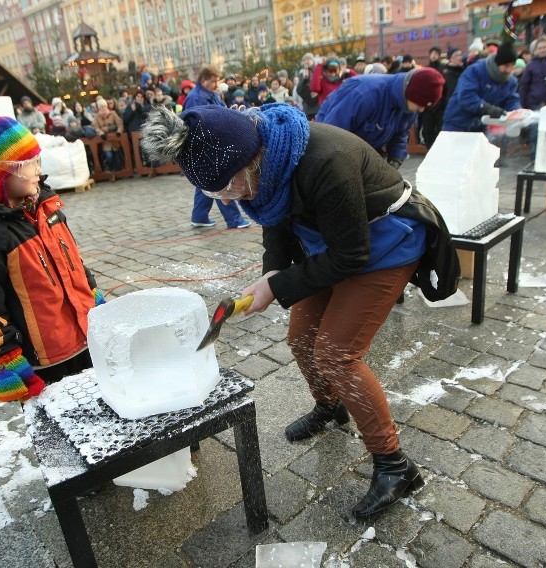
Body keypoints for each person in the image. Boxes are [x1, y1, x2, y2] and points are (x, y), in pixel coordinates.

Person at [139, 103, 460, 521]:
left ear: (250, 160)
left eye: (229, 188)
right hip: (332, 242)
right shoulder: (264, 166)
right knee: (301, 338)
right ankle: (330, 407)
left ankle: (396, 466)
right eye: (217, 195)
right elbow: (277, 220)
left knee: (336, 352)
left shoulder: (325, 161)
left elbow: (351, 255)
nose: (231, 200)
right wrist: (272, 270)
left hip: (383, 244)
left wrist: (275, 286)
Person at [0, 116, 104, 402]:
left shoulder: (47, 207)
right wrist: (10, 361)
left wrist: (93, 294)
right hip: (46, 363)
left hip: (86, 339)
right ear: (2, 174)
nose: (38, 170)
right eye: (30, 163)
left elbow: (72, 262)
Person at [316, 67, 445, 168]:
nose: (421, 110)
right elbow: (331, 134)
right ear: (410, 94)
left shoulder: (409, 106)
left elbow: (400, 134)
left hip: (366, 147)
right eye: (420, 104)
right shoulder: (365, 95)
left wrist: (396, 159)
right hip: (333, 144)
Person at [184, 65, 250, 229]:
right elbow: (194, 123)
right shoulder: (195, 97)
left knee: (205, 182)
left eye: (216, 81)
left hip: (214, 141)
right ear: (203, 80)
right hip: (205, 144)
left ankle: (199, 216)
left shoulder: (211, 94)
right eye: (213, 81)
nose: (215, 84)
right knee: (219, 181)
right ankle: (234, 219)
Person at [442, 41, 523, 165]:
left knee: (476, 164)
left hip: (481, 126)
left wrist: (516, 112)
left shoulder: (511, 81)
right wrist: (486, 108)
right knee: (452, 162)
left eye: (512, 66)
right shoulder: (475, 70)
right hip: (457, 122)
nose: (509, 69)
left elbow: (511, 99)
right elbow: (466, 96)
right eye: (506, 65)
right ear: (498, 63)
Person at [92, 100, 125, 172]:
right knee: (109, 156)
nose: (103, 108)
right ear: (99, 108)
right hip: (105, 140)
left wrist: (119, 131)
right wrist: (101, 132)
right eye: (101, 107)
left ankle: (118, 172)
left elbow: (119, 123)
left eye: (104, 106)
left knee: (117, 158)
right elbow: (96, 127)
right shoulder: (97, 116)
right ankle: (111, 170)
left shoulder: (112, 113)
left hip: (114, 139)